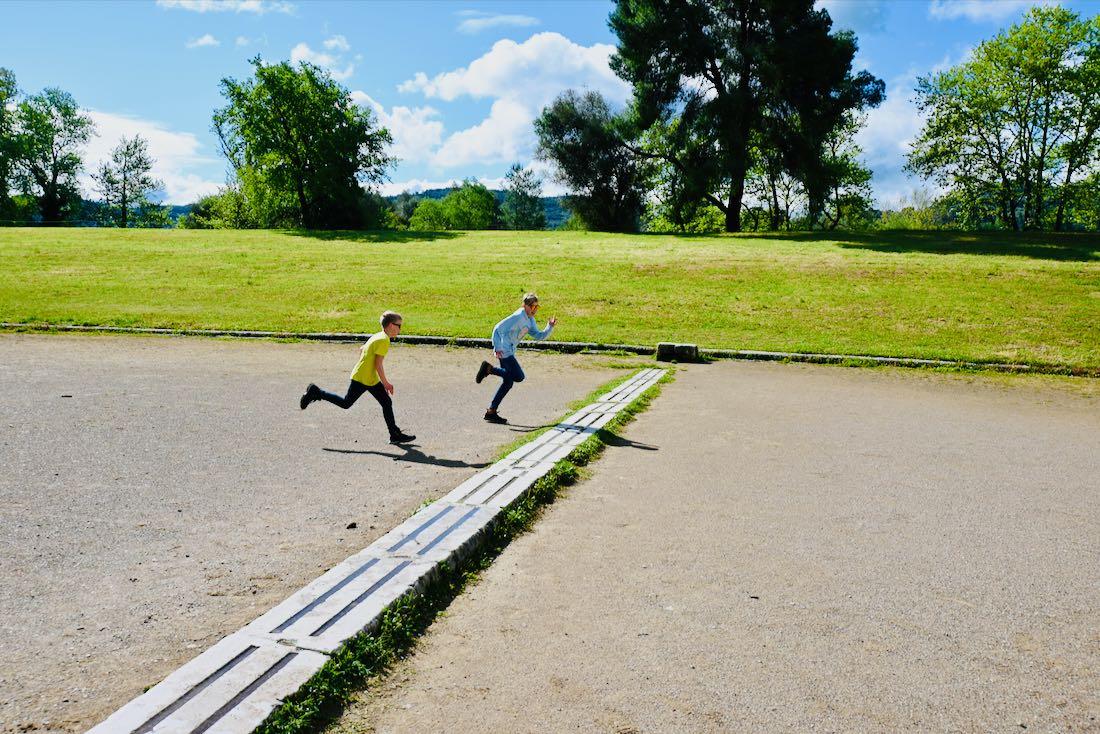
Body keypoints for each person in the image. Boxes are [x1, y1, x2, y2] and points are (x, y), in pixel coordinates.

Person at [300, 311, 415, 444]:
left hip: (367, 377)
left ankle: (394, 434)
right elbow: (378, 364)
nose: (400, 329)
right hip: (363, 378)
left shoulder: (378, 336)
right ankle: (317, 392)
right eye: (398, 326)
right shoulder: (384, 340)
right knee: (346, 403)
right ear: (390, 325)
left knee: (386, 402)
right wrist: (386, 383)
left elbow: (362, 349)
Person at [475, 293, 557, 424]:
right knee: (519, 376)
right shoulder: (518, 316)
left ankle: (491, 412)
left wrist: (550, 327)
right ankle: (489, 369)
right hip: (504, 350)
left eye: (537, 307)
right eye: (532, 307)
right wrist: (497, 347)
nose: (535, 310)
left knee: (508, 382)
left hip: (509, 351)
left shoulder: (530, 320)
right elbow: (497, 328)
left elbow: (538, 335)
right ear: (525, 306)